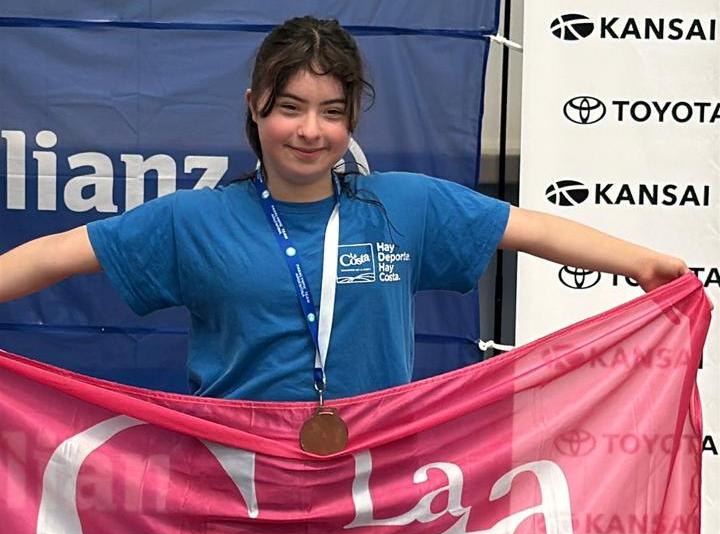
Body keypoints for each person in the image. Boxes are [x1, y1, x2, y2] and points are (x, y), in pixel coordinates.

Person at [0, 16, 687, 403]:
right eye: (290, 107)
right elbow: (57, 253)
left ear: (353, 116)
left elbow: (529, 227)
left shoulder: (405, 206)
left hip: (372, 484)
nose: (310, 130)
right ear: (254, 108)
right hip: (234, 482)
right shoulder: (194, 220)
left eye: (332, 111)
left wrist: (643, 263)